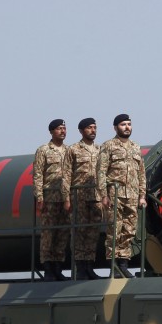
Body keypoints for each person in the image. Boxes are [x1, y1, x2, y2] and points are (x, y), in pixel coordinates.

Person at [96, 113, 146, 279]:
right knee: (114, 230)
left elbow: (141, 174)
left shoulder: (135, 147)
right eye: (123, 124)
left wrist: (142, 196)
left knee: (129, 231)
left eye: (129, 124)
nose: (127, 127)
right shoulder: (108, 146)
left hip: (132, 196)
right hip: (114, 195)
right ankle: (113, 266)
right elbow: (101, 172)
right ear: (116, 127)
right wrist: (103, 195)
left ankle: (123, 264)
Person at [32, 118, 71, 281]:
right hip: (49, 199)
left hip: (65, 199)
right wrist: (39, 197)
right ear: (51, 132)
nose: (62, 131)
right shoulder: (43, 150)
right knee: (48, 235)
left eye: (64, 128)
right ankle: (48, 268)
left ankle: (58, 268)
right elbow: (38, 175)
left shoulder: (69, 151)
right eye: (59, 128)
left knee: (62, 234)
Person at [69, 118, 102, 280]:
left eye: (95, 127)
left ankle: (89, 266)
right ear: (81, 131)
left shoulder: (99, 150)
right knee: (79, 232)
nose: (93, 130)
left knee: (92, 233)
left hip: (95, 196)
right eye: (89, 128)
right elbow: (65, 174)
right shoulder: (73, 150)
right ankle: (80, 267)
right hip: (79, 196)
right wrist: (66, 198)